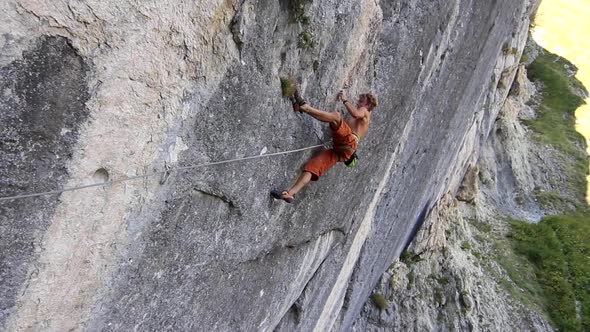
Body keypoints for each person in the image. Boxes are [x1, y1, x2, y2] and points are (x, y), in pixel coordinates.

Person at [271, 89, 378, 203]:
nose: (358, 103)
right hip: (343, 151)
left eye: (361, 101)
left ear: (368, 104)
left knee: (336, 116)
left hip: (349, 142)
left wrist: (345, 100)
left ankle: (305, 107)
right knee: (313, 167)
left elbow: (356, 114)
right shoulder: (365, 121)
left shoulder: (365, 111)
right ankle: (290, 194)